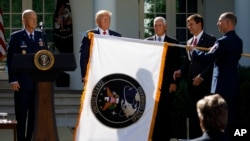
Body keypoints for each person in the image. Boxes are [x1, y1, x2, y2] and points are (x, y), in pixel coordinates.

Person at [190, 12, 243, 141]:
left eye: (220, 21)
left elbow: (209, 57)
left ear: (228, 23)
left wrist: (194, 51)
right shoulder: (238, 41)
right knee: (230, 116)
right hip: (233, 83)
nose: (217, 23)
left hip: (221, 85)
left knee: (219, 117)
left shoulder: (222, 41)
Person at [6, 9, 48, 141]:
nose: (35, 21)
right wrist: (12, 79)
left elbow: (46, 58)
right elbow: (10, 59)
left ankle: (30, 139)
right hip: (22, 83)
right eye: (31, 18)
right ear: (24, 20)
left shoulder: (41, 36)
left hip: (38, 83)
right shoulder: (16, 36)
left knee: (34, 116)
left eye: (36, 18)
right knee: (21, 115)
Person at [173, 14, 216, 139]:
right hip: (191, 84)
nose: (188, 27)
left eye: (191, 24)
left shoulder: (210, 39)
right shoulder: (189, 42)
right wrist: (180, 71)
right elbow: (188, 62)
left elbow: (212, 62)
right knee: (193, 113)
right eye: (188, 24)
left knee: (205, 113)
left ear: (199, 24)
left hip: (204, 83)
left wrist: (202, 76)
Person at [145, 16, 182, 141]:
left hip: (167, 84)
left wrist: (174, 82)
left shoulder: (173, 42)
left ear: (165, 27)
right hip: (152, 84)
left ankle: (165, 137)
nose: (157, 27)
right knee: (152, 112)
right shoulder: (147, 42)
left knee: (166, 112)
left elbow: (177, 64)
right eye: (155, 25)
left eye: (159, 25)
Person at [80, 9, 122, 82]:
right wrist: (84, 75)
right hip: (94, 72)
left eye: (109, 20)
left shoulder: (117, 36)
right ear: (97, 21)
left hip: (112, 73)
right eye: (104, 19)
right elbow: (84, 57)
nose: (107, 21)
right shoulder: (89, 35)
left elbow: (119, 56)